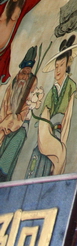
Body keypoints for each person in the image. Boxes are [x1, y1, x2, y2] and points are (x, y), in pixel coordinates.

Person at [26, 35, 77, 178]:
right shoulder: (51, 92)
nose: (57, 70)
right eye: (56, 66)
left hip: (60, 132)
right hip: (47, 132)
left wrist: (62, 141)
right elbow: (45, 115)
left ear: (68, 64)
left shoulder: (71, 86)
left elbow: (68, 117)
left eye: (61, 65)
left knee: (58, 159)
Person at [0, 46, 40, 182]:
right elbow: (4, 108)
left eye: (27, 74)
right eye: (23, 73)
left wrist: (12, 123)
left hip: (19, 126)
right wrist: (5, 125)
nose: (24, 77)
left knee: (17, 140)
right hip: (4, 126)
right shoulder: (12, 86)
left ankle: (2, 173)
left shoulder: (31, 86)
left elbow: (25, 110)